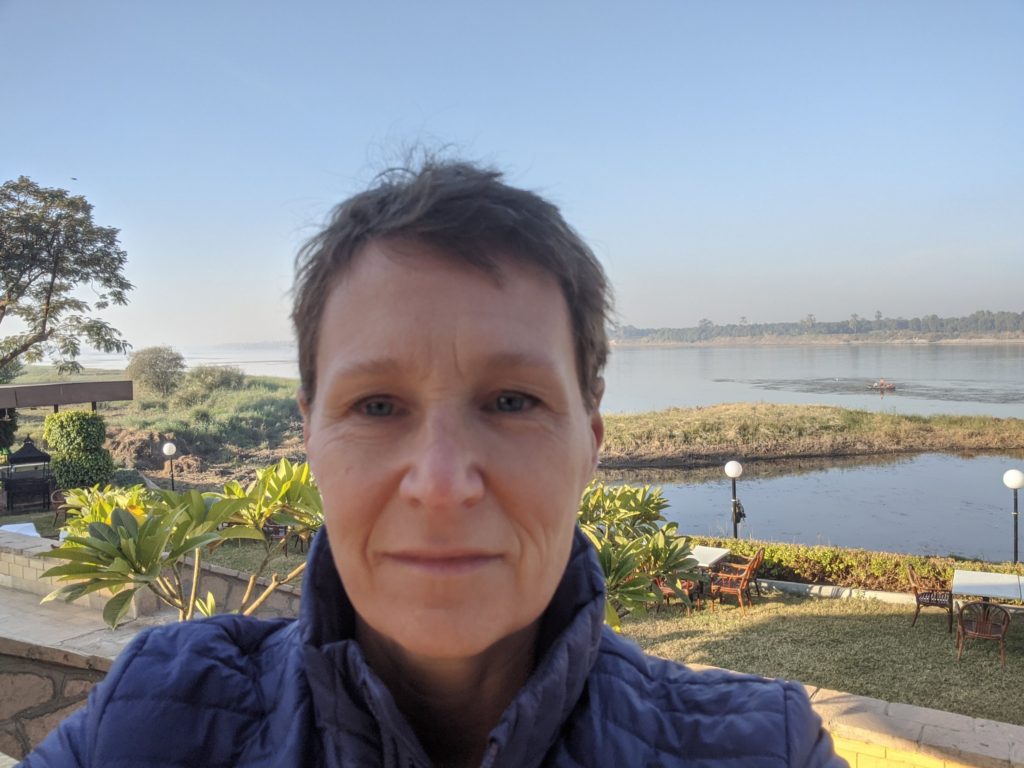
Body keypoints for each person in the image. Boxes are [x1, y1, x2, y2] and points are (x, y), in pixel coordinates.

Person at [23, 160, 844, 767]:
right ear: (310, 435)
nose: (443, 485)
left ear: (591, 438)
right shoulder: (156, 717)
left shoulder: (760, 749)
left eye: (512, 401)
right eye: (377, 407)